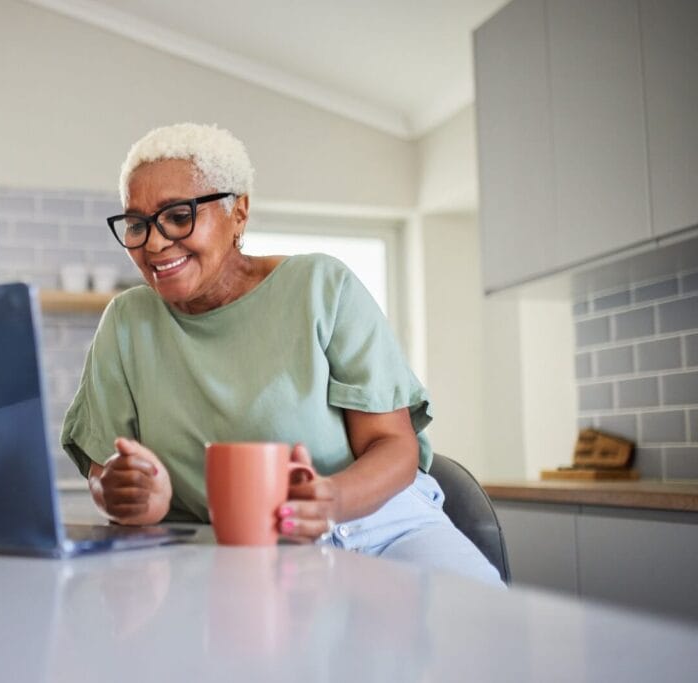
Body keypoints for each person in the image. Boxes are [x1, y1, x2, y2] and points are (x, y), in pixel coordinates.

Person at [61, 122, 502, 585]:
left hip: (379, 529)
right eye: (137, 224)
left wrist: (330, 500)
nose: (153, 242)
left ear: (239, 212)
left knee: (477, 634)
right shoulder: (127, 323)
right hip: (236, 554)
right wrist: (124, 495)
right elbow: (104, 472)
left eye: (178, 216)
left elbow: (394, 445)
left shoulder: (321, 288)